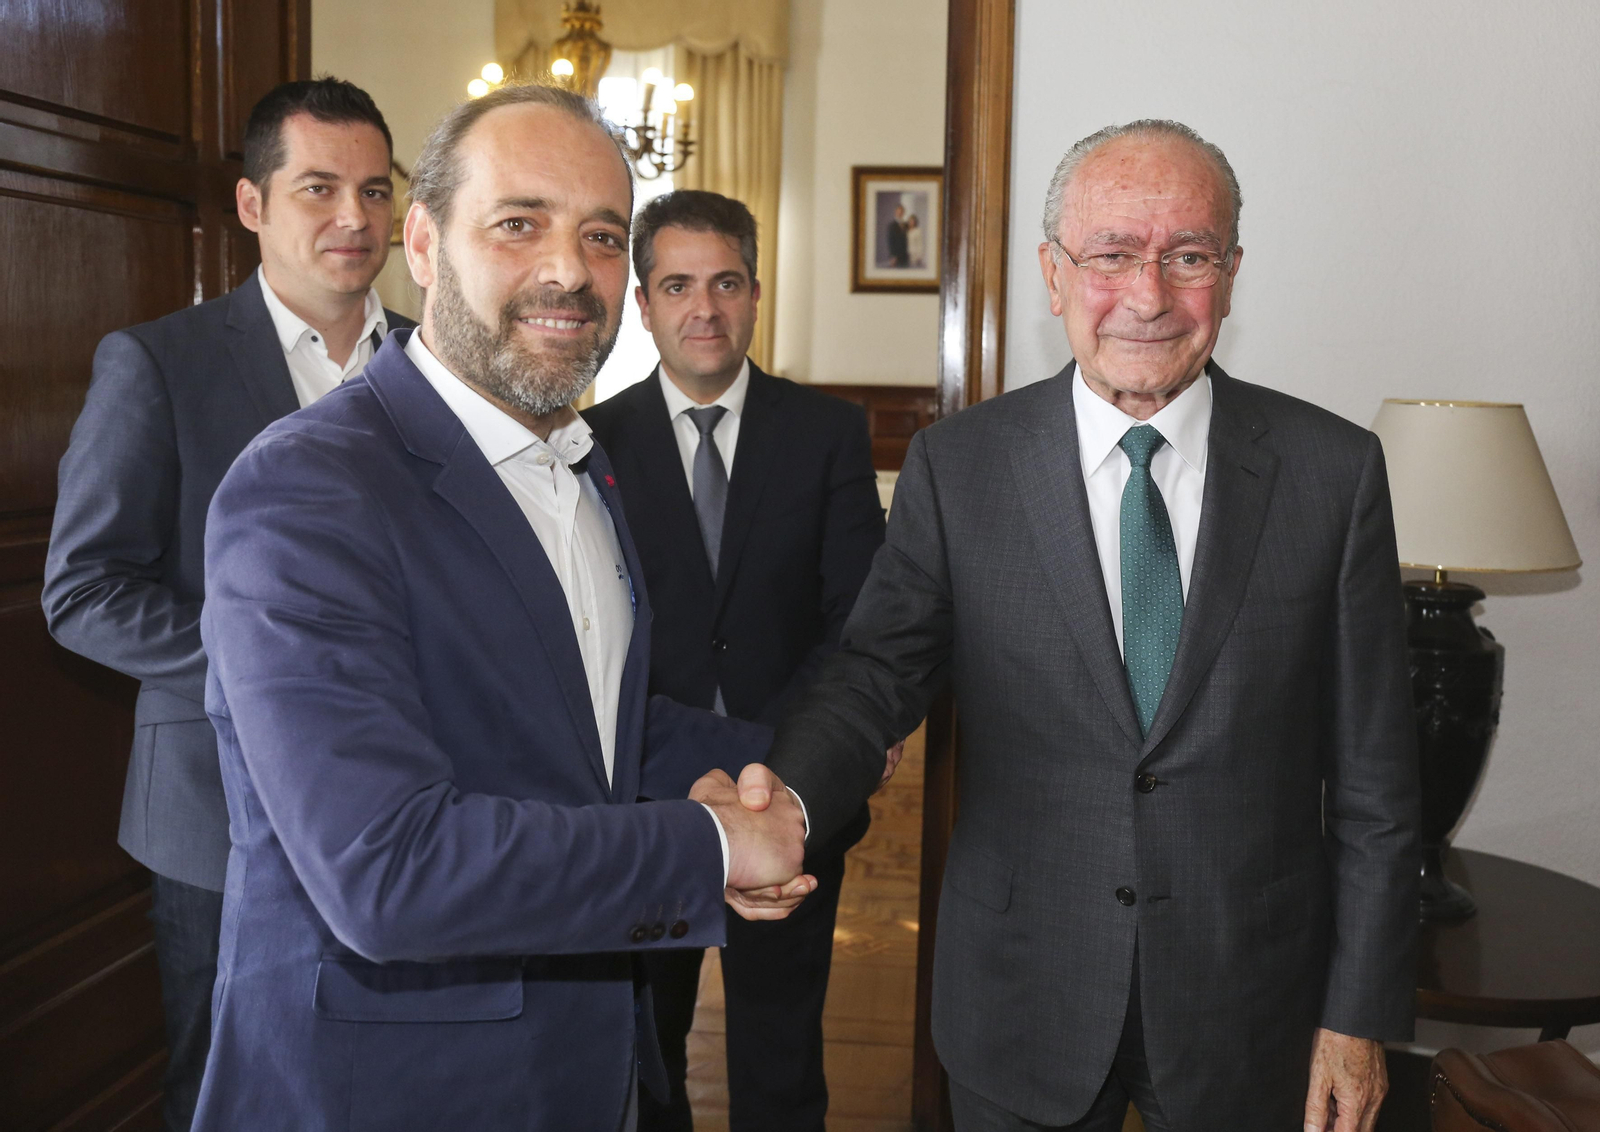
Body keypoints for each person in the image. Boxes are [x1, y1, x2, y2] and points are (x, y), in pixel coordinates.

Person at [765, 119, 1420, 1131]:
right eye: (1111, 255)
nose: (1149, 296)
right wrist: (789, 805)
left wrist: (1357, 1016)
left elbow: (1378, 785)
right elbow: (873, 675)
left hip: (1252, 1009)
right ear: (1053, 273)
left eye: (1187, 257)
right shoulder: (960, 466)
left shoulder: (1331, 475)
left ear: (1232, 273)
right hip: (1020, 995)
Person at [189, 83, 813, 1131]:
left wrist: (781, 761)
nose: (569, 271)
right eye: (519, 223)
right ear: (423, 243)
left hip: (581, 1064)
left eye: (603, 236)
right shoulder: (306, 488)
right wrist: (708, 849)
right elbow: (389, 872)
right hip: (389, 1089)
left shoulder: (577, 466)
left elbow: (580, 720)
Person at [42, 77, 412, 1132]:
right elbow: (84, 590)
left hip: (414, 806)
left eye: (376, 190)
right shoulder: (159, 362)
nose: (354, 217)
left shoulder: (440, 367)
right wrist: (279, 669)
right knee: (227, 1089)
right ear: (252, 205)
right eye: (319, 188)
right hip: (217, 822)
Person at [584, 190, 888, 1131]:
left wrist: (782, 766)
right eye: (677, 285)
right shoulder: (591, 441)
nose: (703, 308)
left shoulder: (827, 432)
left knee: (780, 1046)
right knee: (648, 1051)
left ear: (756, 293)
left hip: (793, 787)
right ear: (643, 303)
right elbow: (597, 630)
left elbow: (857, 620)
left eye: (724, 283)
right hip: (647, 797)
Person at [886, 203, 910, 267]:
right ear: (895, 212)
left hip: (906, 256)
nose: (900, 213)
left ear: (903, 213)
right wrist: (893, 256)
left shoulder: (906, 225)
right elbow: (890, 241)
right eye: (898, 211)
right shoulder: (891, 225)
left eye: (901, 212)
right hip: (896, 257)